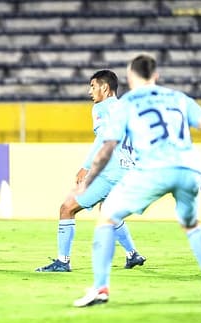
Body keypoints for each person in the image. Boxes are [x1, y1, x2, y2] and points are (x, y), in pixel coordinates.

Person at [73, 54, 201, 307]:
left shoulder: (127, 102)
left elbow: (107, 146)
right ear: (156, 76)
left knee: (107, 217)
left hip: (154, 169)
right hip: (189, 169)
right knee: (192, 225)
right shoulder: (178, 98)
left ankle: (100, 289)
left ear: (131, 78)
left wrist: (88, 177)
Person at [35, 70, 146, 272]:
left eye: (93, 86)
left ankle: (63, 261)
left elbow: (104, 137)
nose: (90, 91)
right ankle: (133, 255)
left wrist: (86, 166)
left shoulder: (101, 107)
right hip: (127, 171)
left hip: (110, 171)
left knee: (67, 208)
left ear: (105, 87)